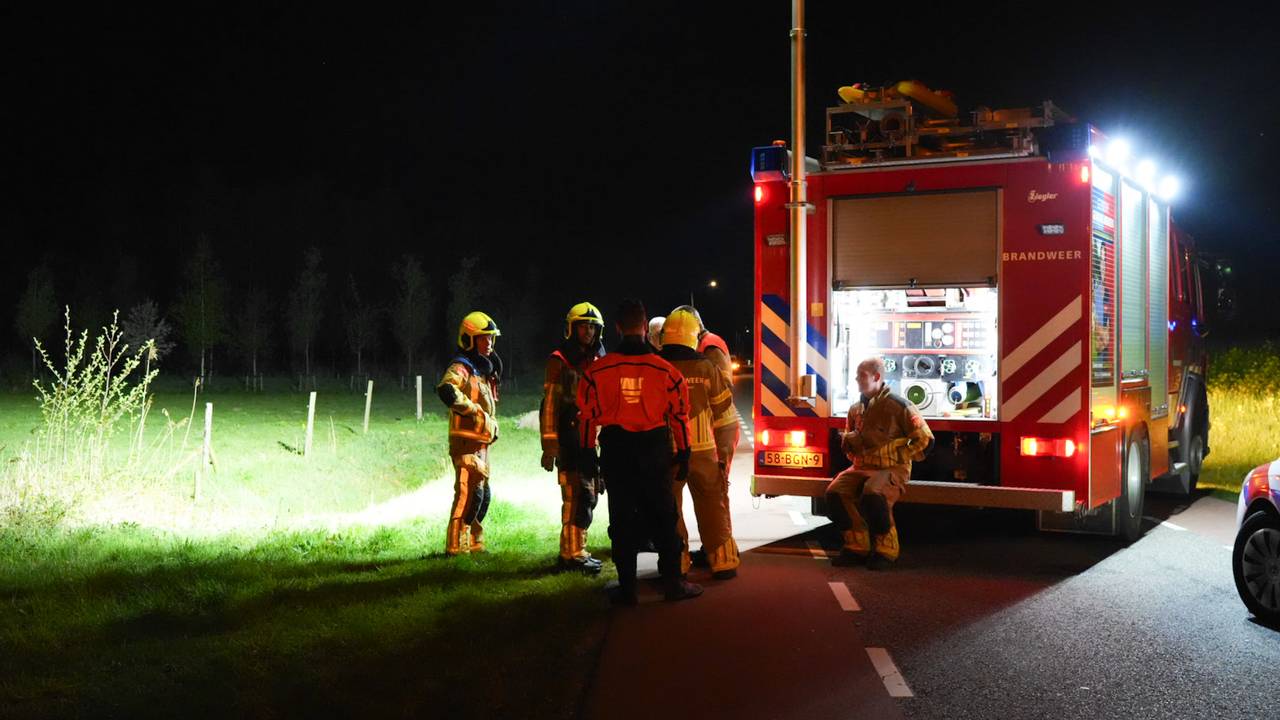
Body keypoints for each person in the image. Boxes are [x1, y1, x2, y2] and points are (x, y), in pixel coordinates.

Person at [576, 298, 702, 605]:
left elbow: (587, 417)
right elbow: (679, 416)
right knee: (663, 516)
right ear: (646, 327)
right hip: (655, 449)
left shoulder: (597, 371)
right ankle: (673, 584)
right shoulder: (667, 371)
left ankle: (627, 589)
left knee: (622, 518)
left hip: (616, 450)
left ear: (618, 327)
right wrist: (683, 454)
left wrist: (586, 454)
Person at [825, 357, 934, 569]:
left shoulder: (899, 406)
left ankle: (886, 549)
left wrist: (898, 455)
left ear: (876, 377)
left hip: (890, 469)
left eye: (861, 376)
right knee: (834, 494)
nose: (857, 379)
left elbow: (925, 439)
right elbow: (849, 438)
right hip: (860, 466)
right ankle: (856, 547)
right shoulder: (856, 409)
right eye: (856, 375)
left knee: (874, 495)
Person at [659, 308, 740, 579]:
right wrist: (724, 452)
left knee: (671, 508)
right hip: (703, 451)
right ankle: (723, 561)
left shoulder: (655, 367)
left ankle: (677, 563)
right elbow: (724, 413)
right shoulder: (706, 367)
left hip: (666, 450)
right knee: (711, 505)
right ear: (694, 336)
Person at [540, 302, 606, 574]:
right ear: (571, 329)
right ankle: (570, 554)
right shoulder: (560, 360)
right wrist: (550, 445)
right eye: (583, 326)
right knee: (575, 496)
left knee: (588, 496)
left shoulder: (600, 359)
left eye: (592, 326)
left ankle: (579, 549)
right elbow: (551, 405)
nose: (588, 332)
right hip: (569, 437)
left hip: (593, 440)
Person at [436, 311, 503, 556]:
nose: (489, 344)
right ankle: (455, 548)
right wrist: (476, 413)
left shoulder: (482, 370)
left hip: (482, 443)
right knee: (467, 494)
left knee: (482, 496)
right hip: (465, 442)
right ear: (469, 340)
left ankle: (474, 544)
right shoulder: (461, 367)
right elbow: (447, 389)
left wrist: (489, 425)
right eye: (483, 339)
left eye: (491, 339)